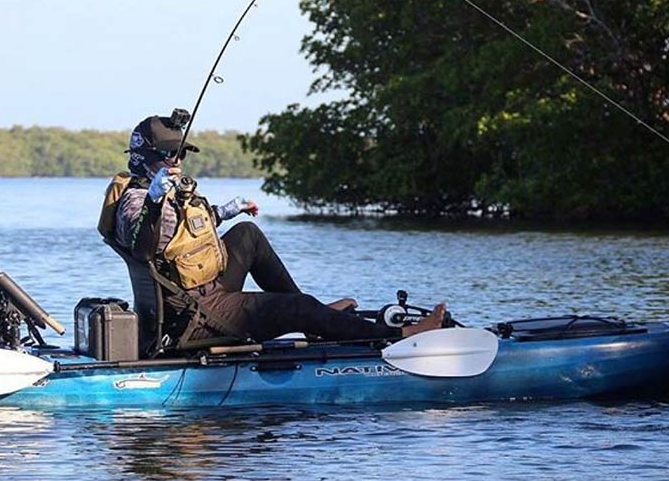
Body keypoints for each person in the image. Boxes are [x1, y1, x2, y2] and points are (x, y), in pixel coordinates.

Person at [108, 112, 446, 344]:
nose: (177, 160)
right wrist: (154, 200)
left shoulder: (167, 190)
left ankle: (314, 317)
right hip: (194, 317)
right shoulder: (135, 200)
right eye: (169, 154)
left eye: (181, 152)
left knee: (247, 235)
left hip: (207, 291)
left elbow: (184, 237)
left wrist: (224, 212)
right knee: (298, 309)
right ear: (144, 157)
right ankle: (400, 335)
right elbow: (142, 247)